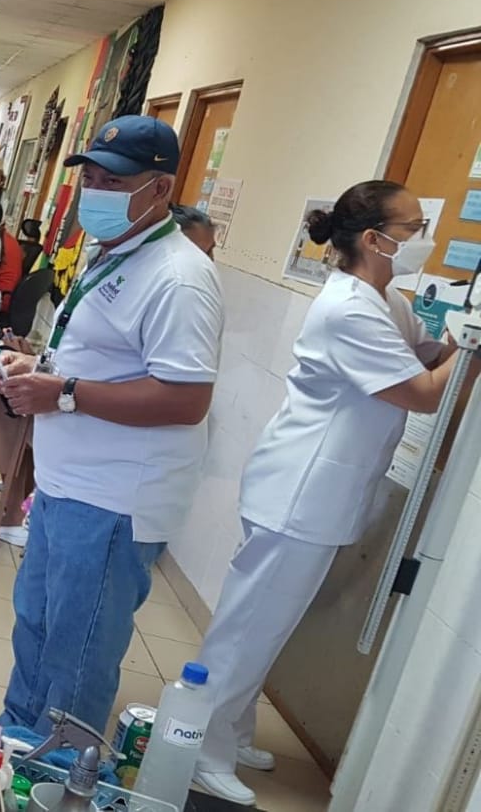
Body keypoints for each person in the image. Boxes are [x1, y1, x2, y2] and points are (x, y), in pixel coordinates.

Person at [192, 180, 467, 806]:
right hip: (299, 492)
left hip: (321, 491)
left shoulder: (385, 300)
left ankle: (230, 731)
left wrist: (456, 342)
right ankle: (201, 749)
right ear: (374, 239)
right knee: (247, 628)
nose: (424, 239)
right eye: (414, 228)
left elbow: (426, 360)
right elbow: (422, 392)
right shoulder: (347, 309)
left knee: (266, 626)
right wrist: (473, 342)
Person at [0, 115, 224, 738]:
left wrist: (64, 392)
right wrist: (36, 369)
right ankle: (14, 740)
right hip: (66, 483)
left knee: (77, 649)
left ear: (160, 188)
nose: (95, 192)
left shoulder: (179, 278)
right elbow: (99, 358)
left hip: (114, 499)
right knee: (36, 624)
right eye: (90, 178)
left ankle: (56, 762)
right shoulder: (116, 252)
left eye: (113, 182)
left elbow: (186, 398)